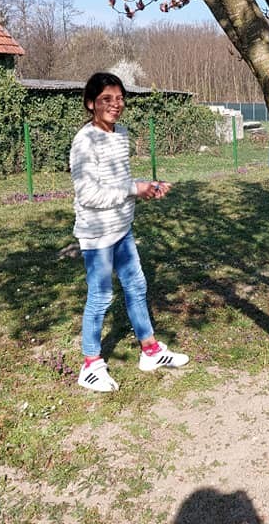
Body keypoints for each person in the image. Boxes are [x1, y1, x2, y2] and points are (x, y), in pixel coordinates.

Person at [70, 72, 189, 393]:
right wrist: (133, 189)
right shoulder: (84, 142)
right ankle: (90, 365)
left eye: (120, 99)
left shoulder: (121, 133)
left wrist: (145, 189)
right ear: (91, 103)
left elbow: (120, 184)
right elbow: (89, 195)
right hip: (97, 235)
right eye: (107, 99)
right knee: (101, 296)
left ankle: (150, 351)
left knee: (137, 285)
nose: (115, 105)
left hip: (122, 229)